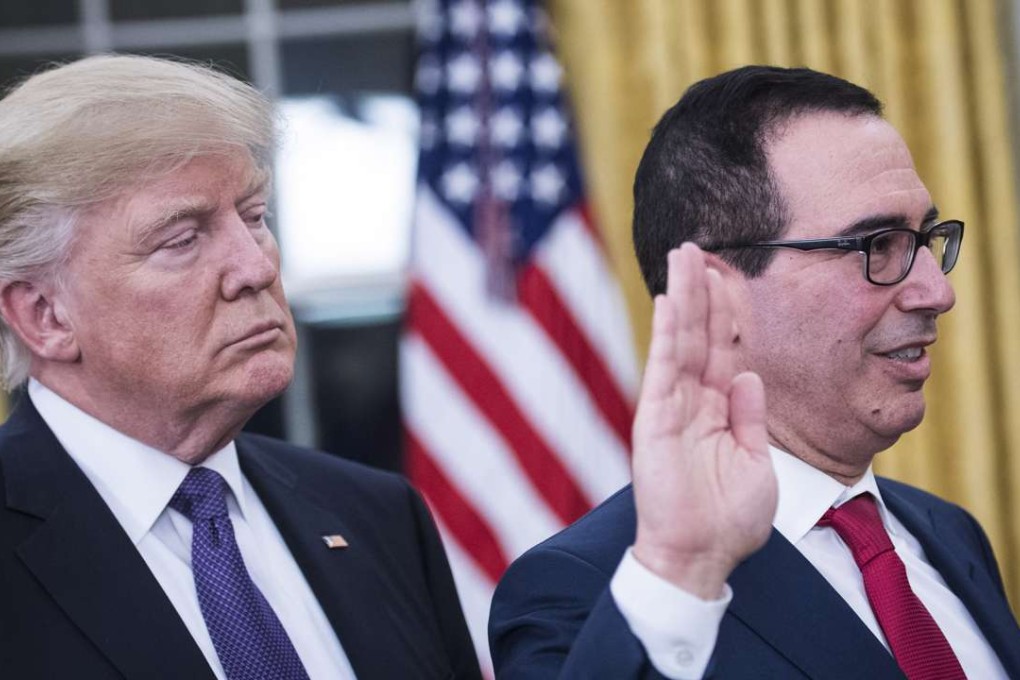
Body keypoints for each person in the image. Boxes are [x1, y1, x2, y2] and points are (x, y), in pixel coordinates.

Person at [489, 66, 1020, 679]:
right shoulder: (587, 591)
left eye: (926, 238)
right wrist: (682, 571)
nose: (936, 290)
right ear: (716, 294)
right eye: (877, 245)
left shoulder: (949, 535)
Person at [0, 54, 481, 680]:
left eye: (254, 217)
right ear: (45, 315)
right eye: (181, 240)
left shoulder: (377, 514)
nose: (256, 267)